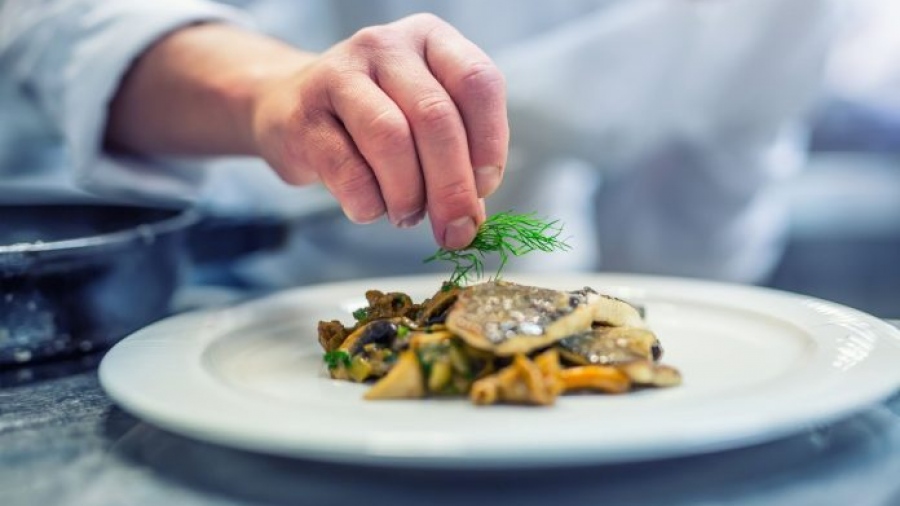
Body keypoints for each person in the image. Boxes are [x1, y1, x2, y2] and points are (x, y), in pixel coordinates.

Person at [1, 0, 877, 288]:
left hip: (524, 309)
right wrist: (274, 92)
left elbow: (691, 255)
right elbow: (48, 24)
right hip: (157, 276)